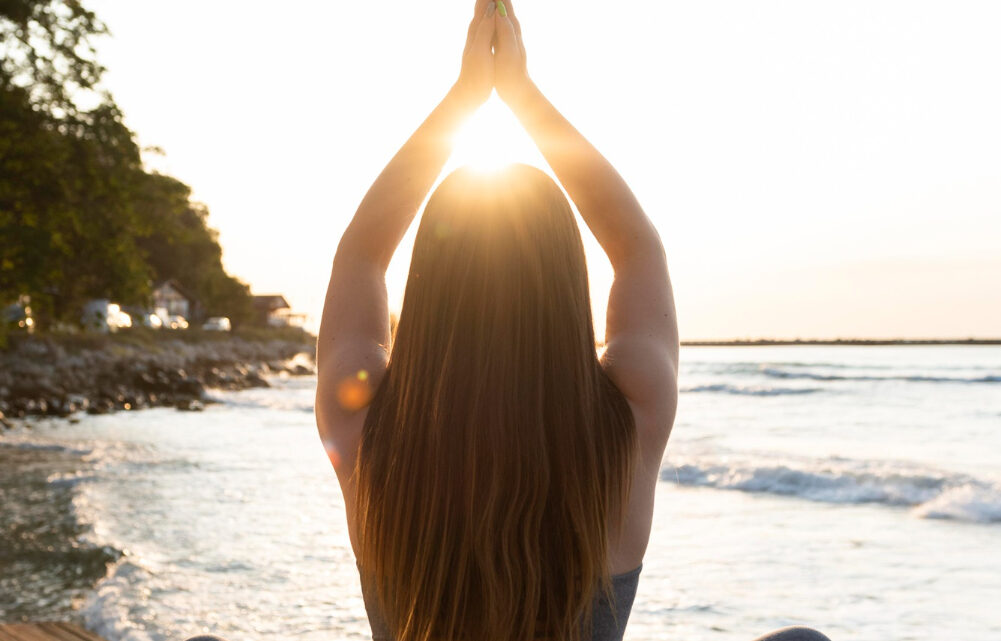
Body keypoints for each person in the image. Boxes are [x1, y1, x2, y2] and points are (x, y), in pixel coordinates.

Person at [311, 2, 829, 641]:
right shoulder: (628, 418)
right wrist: (523, 96)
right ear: (566, 284)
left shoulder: (366, 429)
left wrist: (464, 99)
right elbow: (637, 250)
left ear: (426, 289)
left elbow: (361, 254)